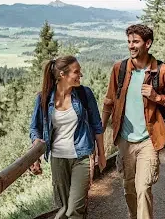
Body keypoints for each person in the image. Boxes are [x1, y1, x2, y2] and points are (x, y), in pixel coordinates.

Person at [101, 24, 165, 219]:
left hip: (148, 141)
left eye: (135, 41)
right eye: (129, 41)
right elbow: (109, 101)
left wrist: (156, 97)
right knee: (129, 189)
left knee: (143, 188)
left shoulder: (162, 71)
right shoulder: (119, 69)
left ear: (148, 43)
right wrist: (100, 131)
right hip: (125, 141)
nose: (131, 45)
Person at [29, 55, 106, 219]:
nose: (81, 75)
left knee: (74, 209)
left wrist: (101, 154)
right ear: (62, 75)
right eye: (76, 72)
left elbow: (96, 125)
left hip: (82, 157)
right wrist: (35, 152)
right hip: (58, 158)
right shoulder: (43, 98)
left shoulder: (84, 94)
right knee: (64, 208)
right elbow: (35, 128)